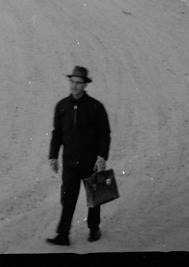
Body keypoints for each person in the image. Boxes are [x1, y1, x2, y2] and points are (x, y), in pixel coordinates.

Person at [46, 65, 111, 246]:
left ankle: (94, 228)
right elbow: (57, 134)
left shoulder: (96, 107)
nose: (74, 86)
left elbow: (104, 134)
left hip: (90, 162)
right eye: (72, 82)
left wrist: (101, 157)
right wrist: (53, 156)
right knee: (68, 198)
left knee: (94, 197)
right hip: (69, 162)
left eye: (78, 83)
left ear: (85, 85)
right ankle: (63, 235)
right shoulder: (61, 107)